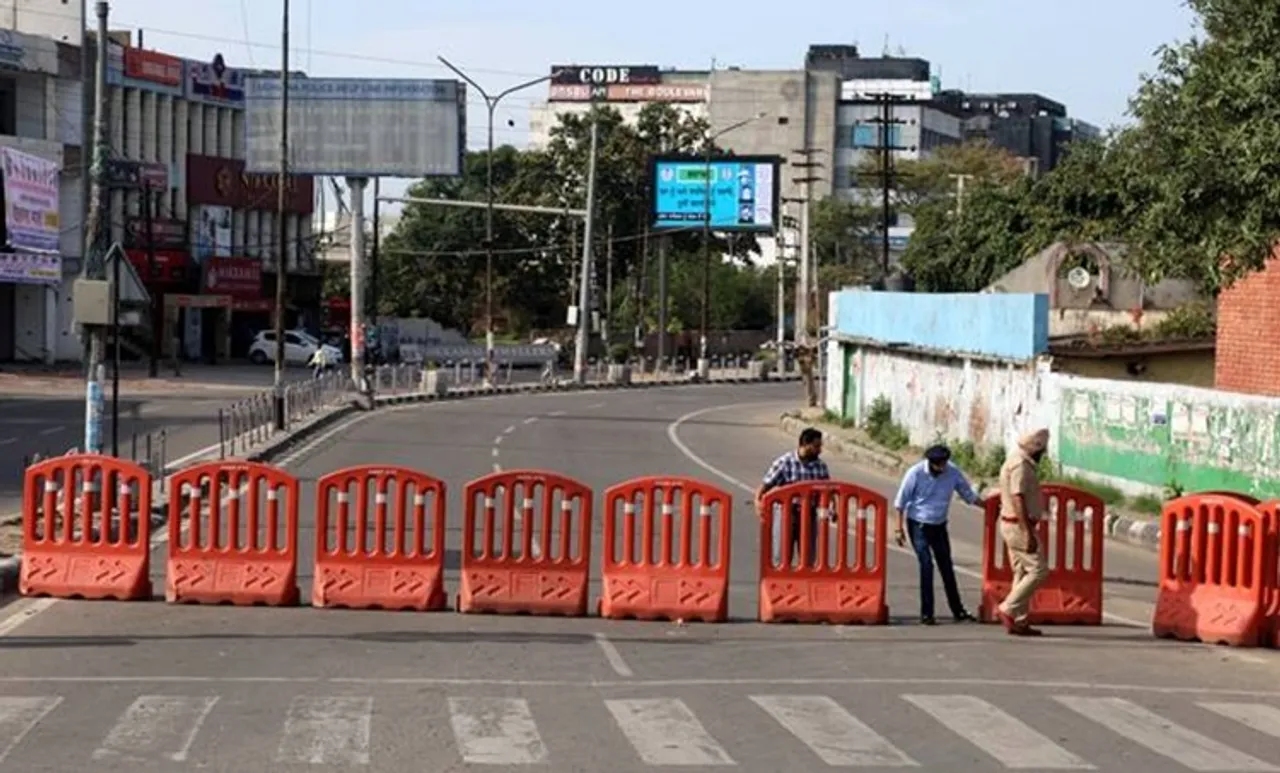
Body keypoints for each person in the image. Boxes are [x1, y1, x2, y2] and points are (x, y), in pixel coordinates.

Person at [893, 445, 982, 625]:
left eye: (943, 465)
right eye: (937, 466)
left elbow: (968, 495)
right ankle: (927, 613)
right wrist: (898, 528)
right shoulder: (915, 473)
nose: (941, 469)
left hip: (939, 525)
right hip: (918, 524)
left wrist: (990, 507)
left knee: (946, 567)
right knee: (926, 565)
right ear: (930, 462)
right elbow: (900, 502)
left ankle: (958, 610)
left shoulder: (953, 472)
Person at [996, 428, 1052, 637]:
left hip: (1011, 523)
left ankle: (1020, 620)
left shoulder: (1016, 459)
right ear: (1036, 448)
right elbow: (1017, 497)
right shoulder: (1020, 465)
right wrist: (1026, 531)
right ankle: (1009, 608)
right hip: (1017, 525)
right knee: (1039, 570)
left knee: (1021, 571)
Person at [755, 428, 832, 567]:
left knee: (808, 557)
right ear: (805, 444)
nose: (820, 450)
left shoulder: (820, 466)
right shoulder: (785, 462)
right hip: (787, 513)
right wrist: (758, 502)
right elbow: (765, 485)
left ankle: (805, 586)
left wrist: (833, 508)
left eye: (820, 446)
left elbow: (828, 491)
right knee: (782, 556)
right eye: (816, 446)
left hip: (808, 514)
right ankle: (781, 586)